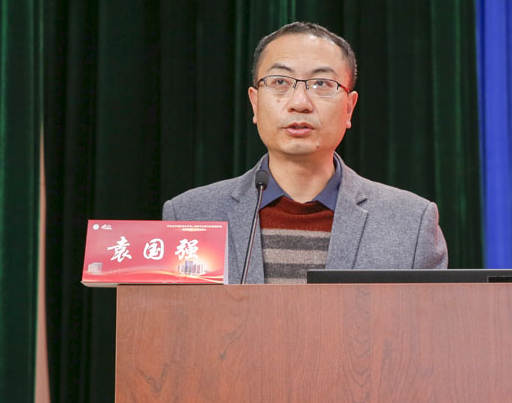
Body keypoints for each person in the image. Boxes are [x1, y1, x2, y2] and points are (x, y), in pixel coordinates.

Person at [163, 22, 447, 283]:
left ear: (349, 108)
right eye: (280, 82)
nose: (300, 103)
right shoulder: (191, 217)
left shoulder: (410, 223)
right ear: (255, 102)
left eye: (321, 84)